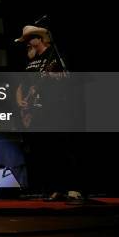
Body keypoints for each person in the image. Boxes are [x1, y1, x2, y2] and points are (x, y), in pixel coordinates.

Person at [14, 25, 83, 201]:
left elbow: (66, 77)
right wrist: (20, 101)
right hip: (35, 111)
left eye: (30, 39)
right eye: (26, 40)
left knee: (61, 147)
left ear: (39, 38)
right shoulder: (31, 61)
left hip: (54, 107)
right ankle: (54, 188)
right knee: (44, 151)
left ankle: (72, 188)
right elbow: (21, 85)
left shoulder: (53, 56)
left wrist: (52, 77)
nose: (28, 43)